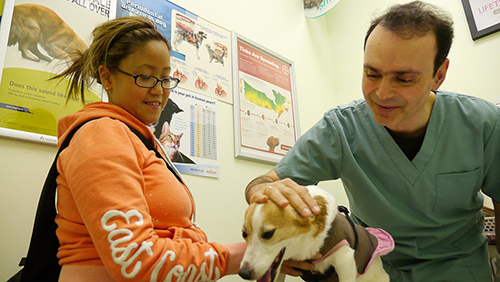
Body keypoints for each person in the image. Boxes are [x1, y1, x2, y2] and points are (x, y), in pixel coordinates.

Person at [245, 1, 500, 281]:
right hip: (372, 267)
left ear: (438, 75)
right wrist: (264, 193)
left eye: (403, 79)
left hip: (458, 269)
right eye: (372, 74)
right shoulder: (341, 128)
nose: (382, 93)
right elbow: (265, 183)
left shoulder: (484, 124)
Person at [52, 16, 245, 281]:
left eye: (165, 78)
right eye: (145, 76)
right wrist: (238, 256)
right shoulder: (102, 134)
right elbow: (136, 260)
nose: (159, 90)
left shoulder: (138, 137)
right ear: (107, 76)